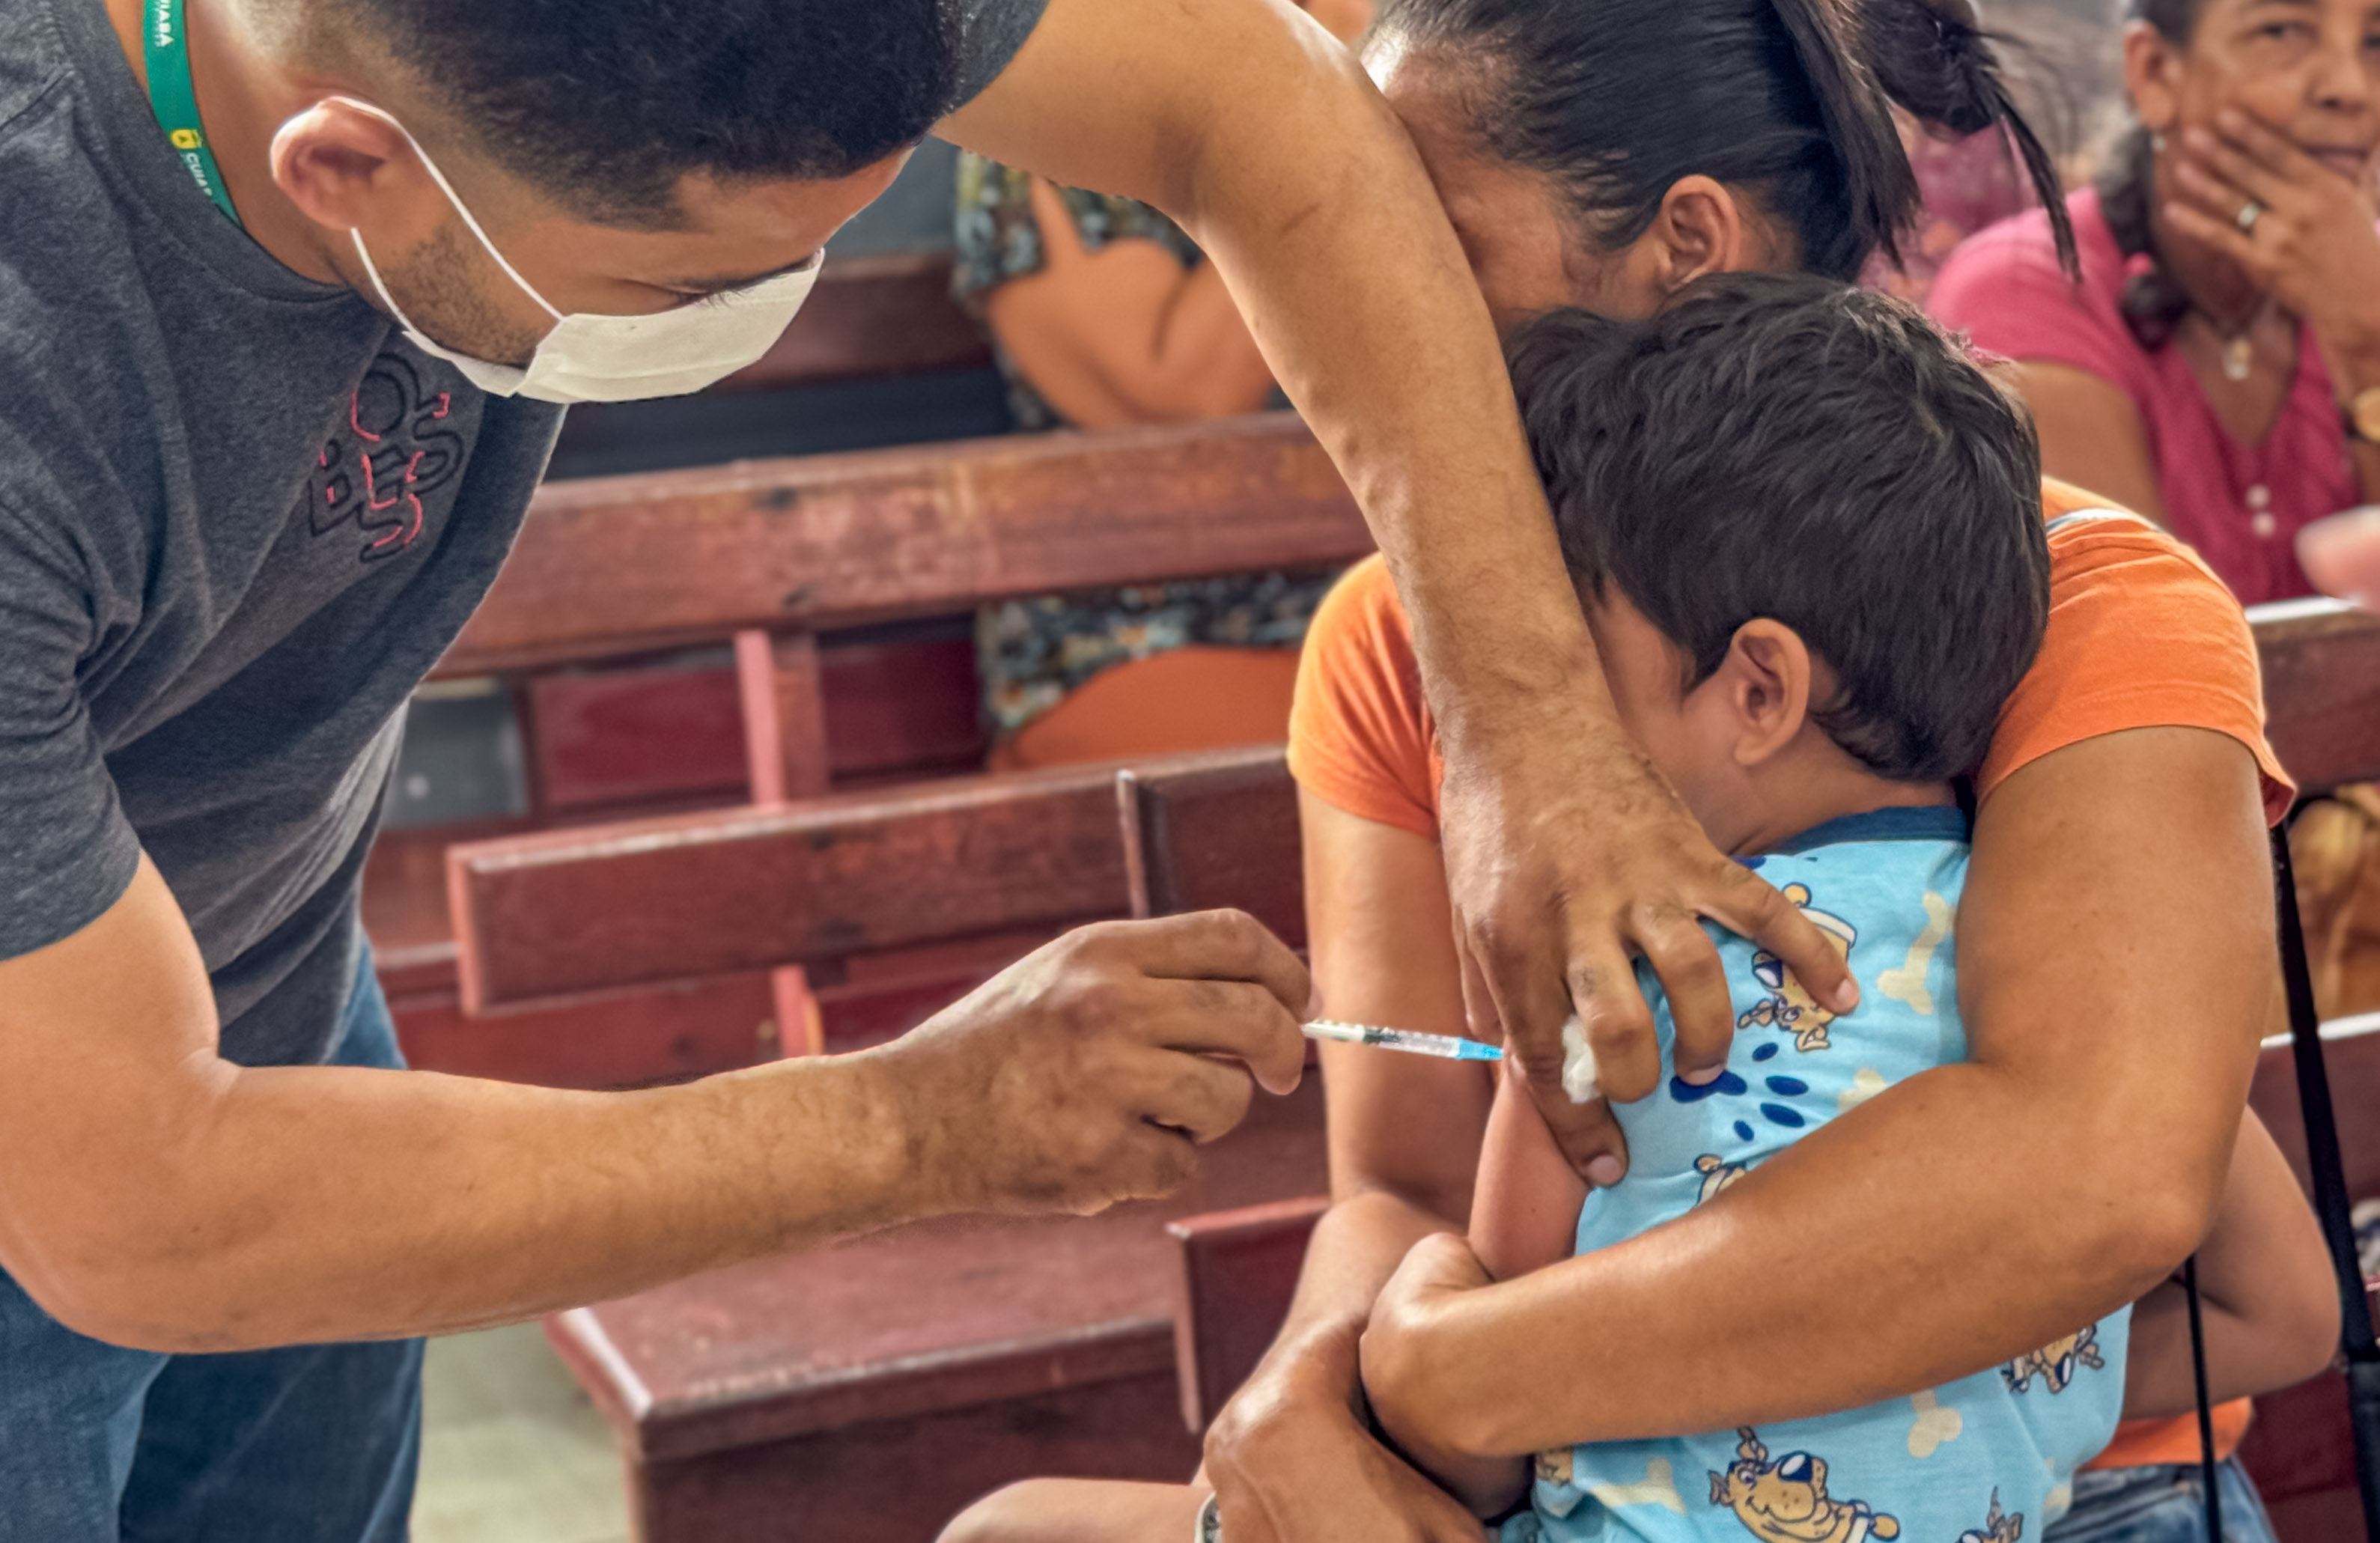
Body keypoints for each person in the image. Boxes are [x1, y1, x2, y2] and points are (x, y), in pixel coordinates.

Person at [0, 0, 1861, 1533]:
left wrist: (1529, 734)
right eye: (686, 283)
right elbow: (144, 1205)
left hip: (274, 993)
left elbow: (1247, 101)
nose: (760, 309)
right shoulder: (42, 360)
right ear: (349, 168)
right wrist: (922, 1121)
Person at [1178, 1, 2298, 1541]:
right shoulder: (1390, 633)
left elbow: (2093, 1178)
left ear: (1683, 243)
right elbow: (1403, 1188)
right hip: (1574, 1463)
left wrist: (1452, 1380)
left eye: (1421, 241)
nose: (1350, 299)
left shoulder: (2066, 595)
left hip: (2087, 1495)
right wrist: (1311, 1400)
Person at [949, 0, 1371, 771]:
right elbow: (1178, 396)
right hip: (1145, 629)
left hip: (1398, 591)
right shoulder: (1059, 102)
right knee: (1399, 763)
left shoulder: (1437, 72)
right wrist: (1336, 98)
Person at [1928, 0, 2380, 606]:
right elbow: (2143, 632)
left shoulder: (2364, 282)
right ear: (2155, 72)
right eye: (2280, 31)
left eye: (2375, 42)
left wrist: (2365, 343)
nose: (2350, 88)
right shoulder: (2023, 292)